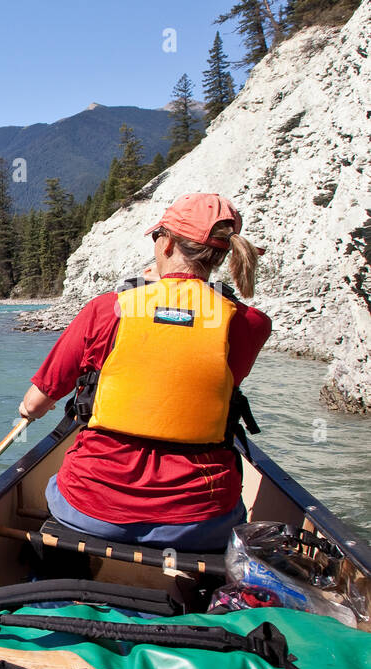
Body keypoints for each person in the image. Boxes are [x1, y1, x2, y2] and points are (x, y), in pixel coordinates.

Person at [17, 193, 270, 551]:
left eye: (157, 238)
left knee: (61, 492)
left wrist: (27, 411)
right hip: (199, 520)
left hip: (90, 506)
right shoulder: (250, 324)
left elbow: (35, 404)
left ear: (165, 244)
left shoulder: (107, 310)